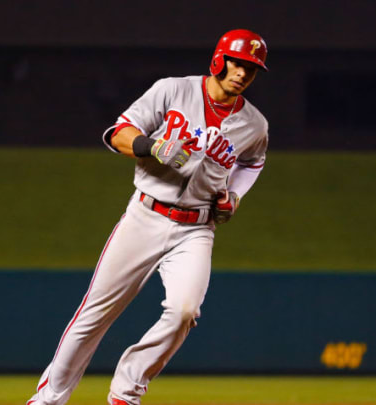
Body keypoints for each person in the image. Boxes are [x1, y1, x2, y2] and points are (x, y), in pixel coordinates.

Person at [26, 28, 269, 405]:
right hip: (146, 215)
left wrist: (234, 195)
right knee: (96, 312)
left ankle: (126, 391)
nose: (243, 73)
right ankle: (47, 399)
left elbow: (253, 163)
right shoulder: (173, 90)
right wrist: (152, 146)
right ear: (220, 59)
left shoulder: (255, 125)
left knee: (185, 311)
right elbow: (119, 132)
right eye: (238, 63)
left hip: (197, 227)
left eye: (252, 69)